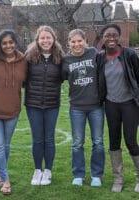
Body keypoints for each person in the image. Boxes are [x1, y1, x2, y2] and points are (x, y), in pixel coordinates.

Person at [0, 29, 27, 195]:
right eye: (4, 43)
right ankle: (6, 180)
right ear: (0, 45)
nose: (8, 45)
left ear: (15, 42)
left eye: (11, 42)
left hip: (13, 111)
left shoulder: (24, 60)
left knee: (5, 146)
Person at [97, 23, 139, 193]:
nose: (111, 38)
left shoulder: (129, 55)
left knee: (130, 141)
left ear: (119, 37)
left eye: (115, 35)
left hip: (129, 104)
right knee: (114, 141)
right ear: (103, 38)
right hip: (111, 104)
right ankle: (118, 178)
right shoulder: (100, 57)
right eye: (108, 35)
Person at [62, 29, 105, 187]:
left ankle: (96, 174)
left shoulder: (94, 53)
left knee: (98, 142)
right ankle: (78, 174)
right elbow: (59, 78)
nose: (76, 44)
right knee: (77, 143)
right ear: (69, 43)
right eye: (73, 41)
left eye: (79, 41)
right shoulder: (66, 60)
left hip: (96, 106)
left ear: (85, 41)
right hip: (77, 107)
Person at [25, 25, 64, 186]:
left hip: (52, 104)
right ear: (38, 40)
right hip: (33, 105)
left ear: (53, 39)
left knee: (49, 139)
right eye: (42, 38)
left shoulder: (60, 57)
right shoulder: (29, 57)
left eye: (48, 37)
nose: (45, 40)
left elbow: (64, 76)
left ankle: (48, 170)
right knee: (37, 139)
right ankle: (37, 170)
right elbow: (22, 78)